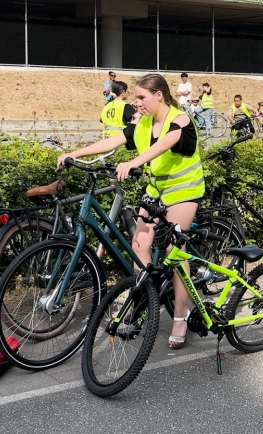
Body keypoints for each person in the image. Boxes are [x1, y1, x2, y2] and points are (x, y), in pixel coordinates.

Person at [57, 73, 204, 349]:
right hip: (157, 192)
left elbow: (165, 143)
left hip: (184, 192)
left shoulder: (180, 119)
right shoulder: (143, 124)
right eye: (135, 97)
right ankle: (145, 300)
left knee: (175, 252)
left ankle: (181, 317)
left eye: (141, 97)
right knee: (139, 245)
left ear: (159, 95)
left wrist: (134, 161)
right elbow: (113, 141)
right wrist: (75, 153)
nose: (137, 103)